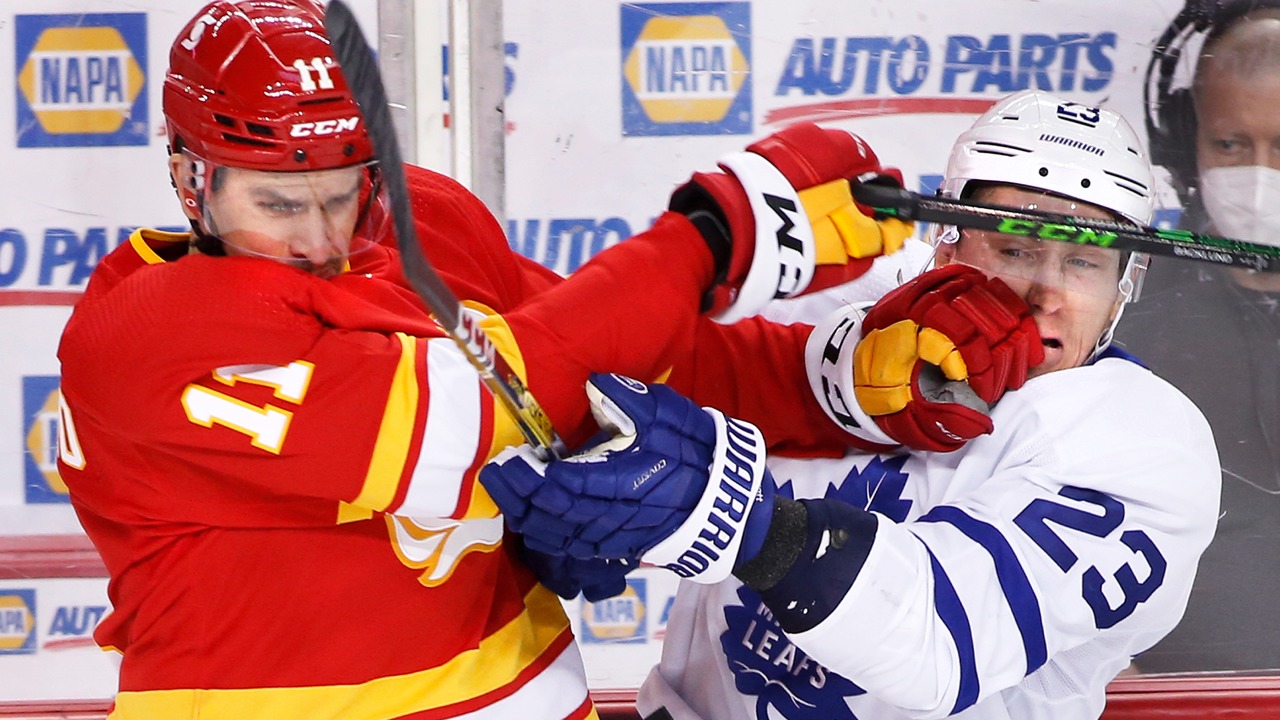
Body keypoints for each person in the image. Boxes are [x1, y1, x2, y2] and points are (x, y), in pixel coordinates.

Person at [53, 2, 944, 718]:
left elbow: (621, 367)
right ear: (188, 177)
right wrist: (709, 237)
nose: (322, 239)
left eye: (344, 191)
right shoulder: (145, 336)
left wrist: (843, 383)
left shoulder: (419, 223)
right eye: (280, 204)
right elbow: (498, 408)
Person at [481, 90, 1221, 719]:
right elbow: (601, 364)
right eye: (1015, 249)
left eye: (1084, 261)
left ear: (1126, 287)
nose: (1047, 293)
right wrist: (586, 470)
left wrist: (729, 520)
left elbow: (937, 638)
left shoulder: (1145, 448)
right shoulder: (846, 313)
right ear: (949, 244)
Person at [1121, 0, 1280, 673]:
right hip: (1168, 694)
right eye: (1231, 143)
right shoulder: (1119, 313)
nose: (1260, 174)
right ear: (1185, 139)